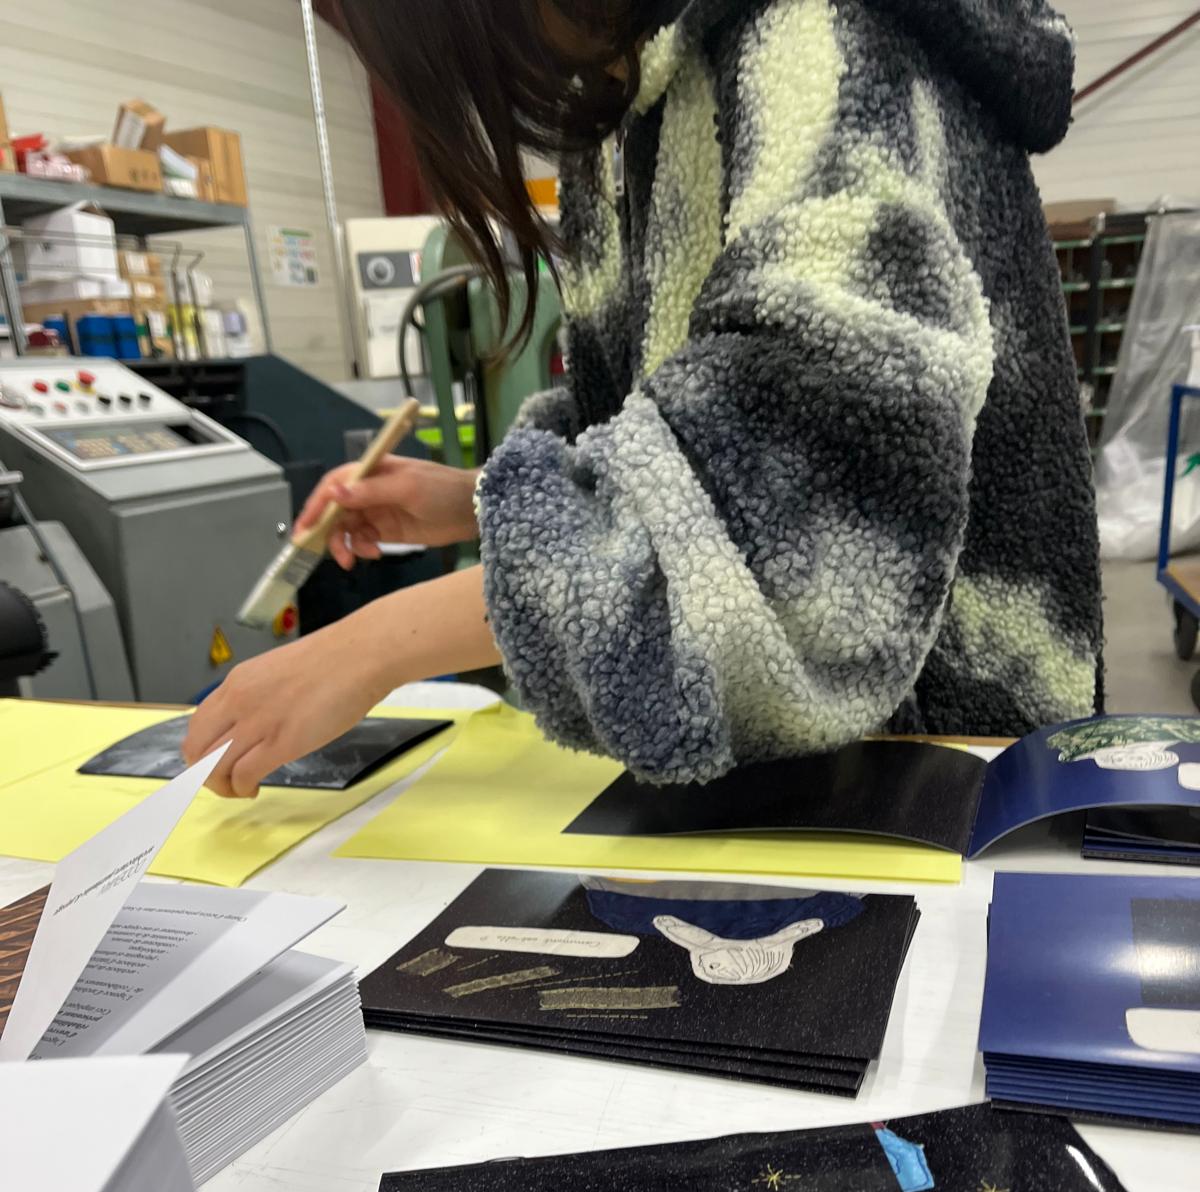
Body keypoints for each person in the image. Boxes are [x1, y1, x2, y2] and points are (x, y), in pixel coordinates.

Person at [183, 0, 1104, 799]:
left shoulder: (815, 42)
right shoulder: (623, 110)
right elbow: (659, 425)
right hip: (804, 776)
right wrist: (476, 500)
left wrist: (373, 645)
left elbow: (797, 546)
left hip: (945, 764)